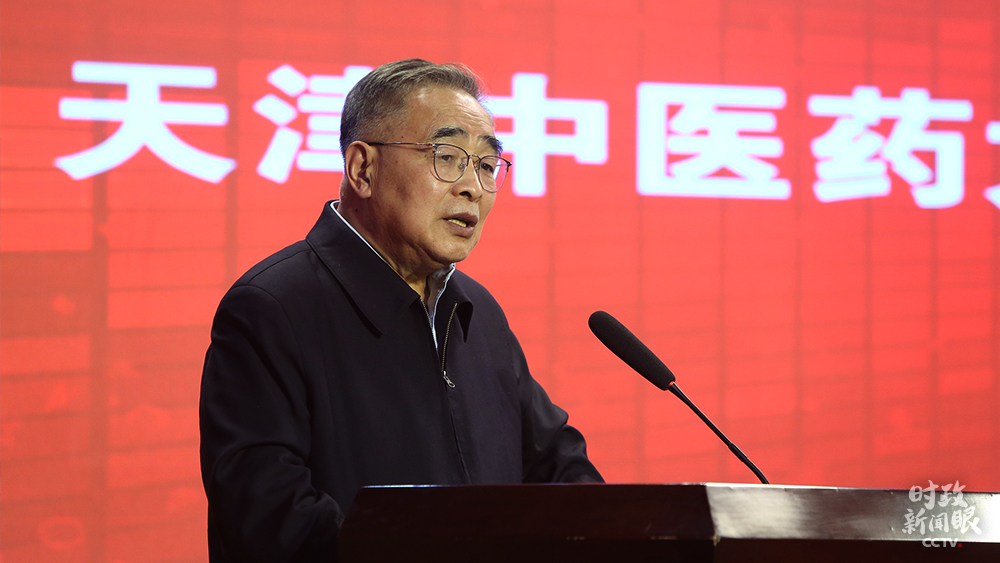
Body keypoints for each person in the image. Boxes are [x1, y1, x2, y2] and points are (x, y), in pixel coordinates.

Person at [199, 59, 603, 563]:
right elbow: (269, 519)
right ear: (362, 170)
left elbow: (558, 466)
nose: (473, 187)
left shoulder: (477, 311)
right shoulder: (272, 308)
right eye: (447, 157)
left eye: (486, 165)